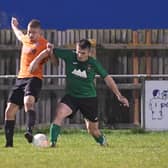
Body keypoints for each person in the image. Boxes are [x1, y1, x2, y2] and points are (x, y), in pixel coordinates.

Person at [31, 39, 129, 147]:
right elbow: (52, 50)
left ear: (89, 52)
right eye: (78, 52)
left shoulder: (93, 63)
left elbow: (107, 78)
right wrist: (47, 51)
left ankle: (102, 141)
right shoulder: (69, 56)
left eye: (83, 53)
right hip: (72, 96)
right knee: (59, 113)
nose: (80, 55)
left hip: (89, 99)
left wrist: (119, 95)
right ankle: (53, 143)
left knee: (92, 130)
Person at [4, 17, 57, 147]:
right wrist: (14, 26)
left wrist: (50, 53)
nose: (30, 34)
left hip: (34, 78)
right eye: (29, 32)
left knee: (28, 102)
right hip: (20, 79)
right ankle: (9, 144)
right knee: (9, 111)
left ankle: (29, 131)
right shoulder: (26, 39)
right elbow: (18, 34)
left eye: (33, 32)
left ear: (40, 33)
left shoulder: (45, 44)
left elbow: (55, 64)